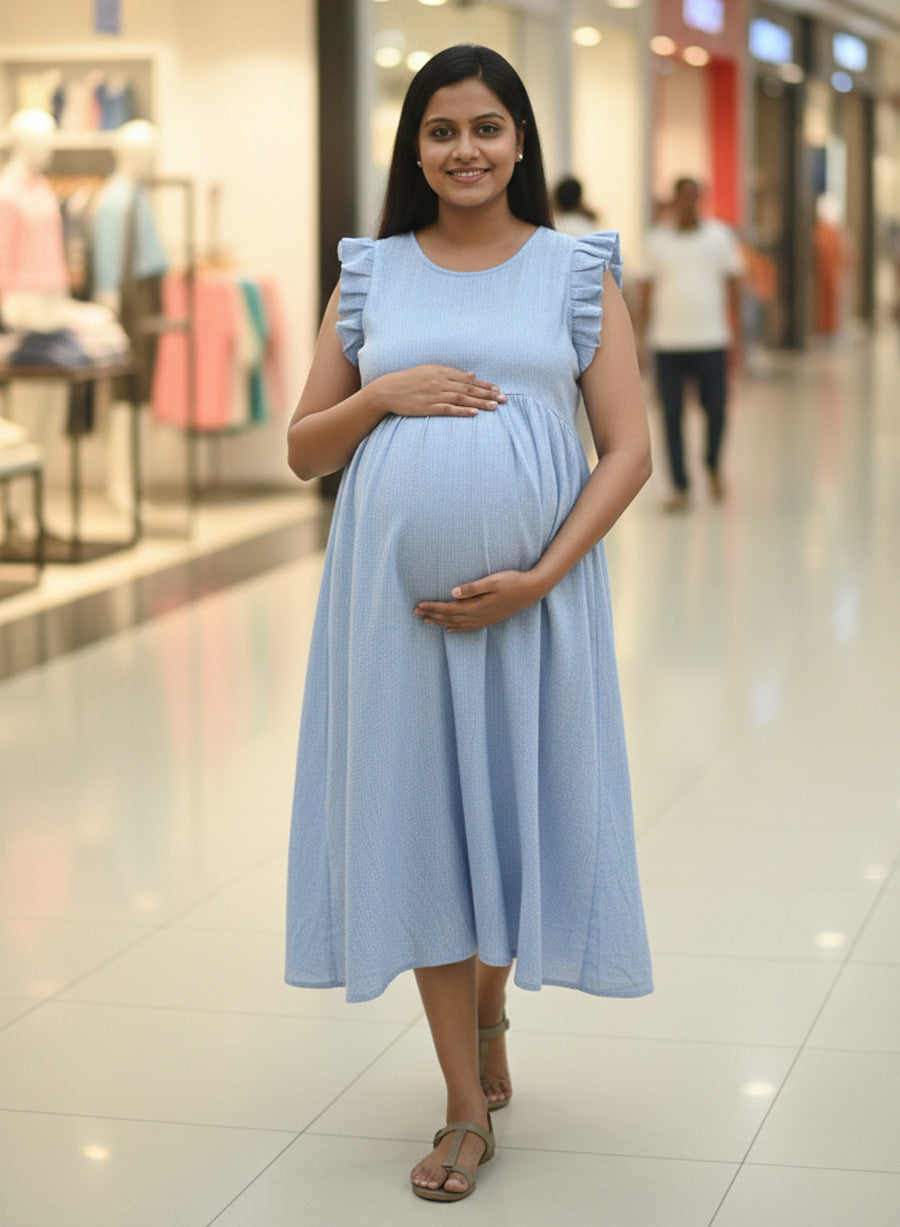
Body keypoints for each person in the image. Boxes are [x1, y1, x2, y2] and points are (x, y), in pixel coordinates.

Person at [285, 44, 653, 1203]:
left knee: (510, 815)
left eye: (486, 127)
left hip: (534, 612)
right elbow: (303, 451)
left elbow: (628, 450)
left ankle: (491, 1010)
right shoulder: (372, 274)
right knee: (425, 829)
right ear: (414, 148)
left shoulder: (576, 271)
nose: (465, 150)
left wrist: (541, 577)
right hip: (391, 620)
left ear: (521, 140)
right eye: (441, 130)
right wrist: (379, 394)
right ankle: (461, 1102)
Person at [637, 176, 743, 511]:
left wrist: (737, 334)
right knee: (671, 415)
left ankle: (712, 464)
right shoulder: (657, 240)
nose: (687, 203)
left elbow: (734, 286)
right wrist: (640, 337)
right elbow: (646, 292)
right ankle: (680, 485)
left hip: (711, 339)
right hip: (668, 342)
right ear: (674, 200)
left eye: (693, 196)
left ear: (700, 199)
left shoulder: (720, 237)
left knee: (716, 409)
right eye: (682, 197)